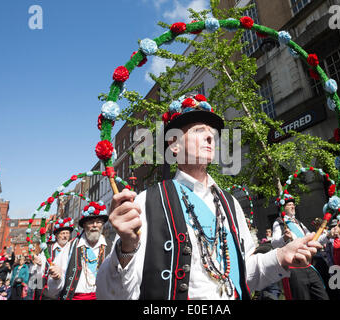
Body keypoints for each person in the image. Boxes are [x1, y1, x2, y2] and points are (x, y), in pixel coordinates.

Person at [96, 94, 323, 300]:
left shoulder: (230, 203)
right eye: (198, 131)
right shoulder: (146, 202)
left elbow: (246, 274)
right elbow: (110, 293)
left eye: (212, 133)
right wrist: (127, 248)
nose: (209, 137)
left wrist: (282, 255)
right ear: (173, 145)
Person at [271, 195, 329, 300]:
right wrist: (284, 237)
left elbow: (312, 240)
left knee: (322, 295)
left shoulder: (299, 223)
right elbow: (274, 243)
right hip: (295, 268)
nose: (293, 206)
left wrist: (328, 236)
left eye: (293, 204)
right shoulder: (279, 222)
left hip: (309, 265)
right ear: (283, 208)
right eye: (289, 205)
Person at [47, 208, 108, 300]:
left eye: (99, 222)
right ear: (84, 225)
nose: (95, 225)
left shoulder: (111, 247)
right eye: (91, 222)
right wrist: (57, 278)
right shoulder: (69, 248)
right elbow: (52, 289)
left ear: (103, 224)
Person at [37, 218, 74, 300]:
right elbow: (39, 271)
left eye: (67, 233)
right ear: (56, 235)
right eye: (63, 233)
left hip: (68, 290)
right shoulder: (48, 250)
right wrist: (39, 264)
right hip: (49, 292)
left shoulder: (73, 249)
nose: (65, 236)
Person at [320, 219, 340, 300]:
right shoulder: (330, 241)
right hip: (337, 270)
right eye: (333, 227)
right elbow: (328, 255)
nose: (334, 229)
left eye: (336, 227)